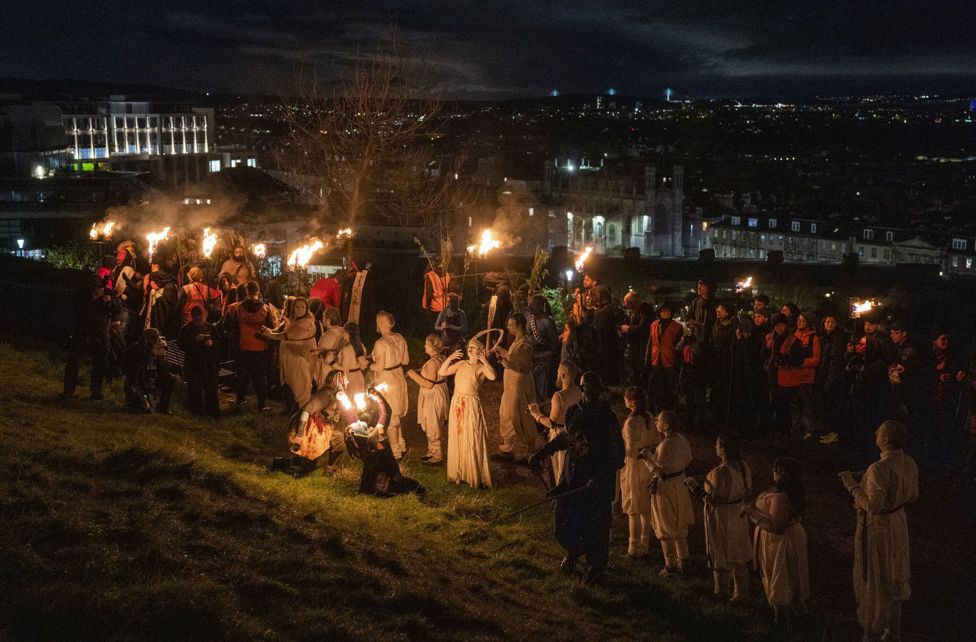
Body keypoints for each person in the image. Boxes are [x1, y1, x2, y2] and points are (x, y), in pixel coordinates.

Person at [529, 371, 624, 586]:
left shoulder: (607, 419)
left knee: (596, 526)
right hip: (575, 476)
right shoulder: (574, 412)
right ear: (582, 390)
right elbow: (567, 438)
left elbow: (617, 456)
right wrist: (543, 452)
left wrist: (600, 477)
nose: (589, 393)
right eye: (586, 389)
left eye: (593, 389)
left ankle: (595, 567)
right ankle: (574, 552)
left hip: (597, 483)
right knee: (569, 518)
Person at [838, 420, 918, 642]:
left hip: (878, 530)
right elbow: (913, 496)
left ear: (886, 439)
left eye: (879, 431)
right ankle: (893, 632)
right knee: (895, 577)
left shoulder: (879, 469)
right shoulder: (909, 462)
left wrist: (851, 485)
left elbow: (872, 506)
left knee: (874, 578)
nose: (875, 432)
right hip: (898, 525)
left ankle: (871, 631)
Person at [743, 457, 809, 630]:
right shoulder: (790, 492)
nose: (772, 472)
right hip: (788, 538)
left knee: (780, 577)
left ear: (782, 475)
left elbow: (776, 527)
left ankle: (781, 623)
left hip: (779, 542)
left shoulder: (781, 498)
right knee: (789, 576)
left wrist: (752, 513)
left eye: (776, 470)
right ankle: (800, 616)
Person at [639, 409, 694, 575]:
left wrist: (647, 457)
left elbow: (660, 472)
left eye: (659, 420)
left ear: (666, 425)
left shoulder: (665, 446)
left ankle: (670, 566)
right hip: (681, 485)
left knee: (665, 525)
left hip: (667, 487)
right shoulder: (683, 441)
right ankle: (684, 562)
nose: (656, 421)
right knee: (679, 525)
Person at [702, 435, 753, 601]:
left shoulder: (720, 472)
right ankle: (741, 594)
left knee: (720, 553)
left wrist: (696, 489)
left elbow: (715, 499)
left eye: (717, 445)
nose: (715, 447)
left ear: (723, 449)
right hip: (739, 514)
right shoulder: (743, 467)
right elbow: (748, 491)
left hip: (722, 516)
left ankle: (721, 593)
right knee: (738, 554)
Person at [440, 340, 497, 488]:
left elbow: (492, 376)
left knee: (471, 436)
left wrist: (484, 361)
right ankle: (458, 472)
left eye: (474, 348)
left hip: (470, 404)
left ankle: (472, 473)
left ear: (480, 351)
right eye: (469, 347)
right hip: (457, 402)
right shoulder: (461, 364)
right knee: (458, 435)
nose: (470, 349)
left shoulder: (480, 368)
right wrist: (450, 358)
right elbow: (442, 372)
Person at [619, 387, 661, 558]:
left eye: (626, 398)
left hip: (635, 467)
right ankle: (646, 544)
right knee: (645, 506)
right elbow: (657, 440)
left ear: (632, 402)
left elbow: (630, 450)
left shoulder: (631, 423)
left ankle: (634, 548)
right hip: (648, 465)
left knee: (634, 507)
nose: (624, 401)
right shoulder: (650, 417)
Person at [63, 277, 120, 400]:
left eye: (98, 288)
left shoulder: (107, 295)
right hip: (82, 332)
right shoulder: (81, 295)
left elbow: (117, 309)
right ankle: (68, 391)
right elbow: (75, 311)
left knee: (99, 364)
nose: (96, 290)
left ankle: (96, 392)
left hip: (99, 335)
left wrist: (108, 302)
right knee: (74, 361)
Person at [493, 313, 539, 461]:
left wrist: (506, 363)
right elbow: (514, 357)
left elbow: (524, 366)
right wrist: (502, 352)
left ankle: (533, 451)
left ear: (519, 326)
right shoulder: (517, 341)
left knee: (521, 415)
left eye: (510, 325)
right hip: (510, 385)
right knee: (506, 413)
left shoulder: (525, 343)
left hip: (518, 385)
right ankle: (507, 449)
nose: (508, 327)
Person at [529, 360, 582, 485]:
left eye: (558, 373)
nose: (557, 376)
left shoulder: (559, 396)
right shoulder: (579, 392)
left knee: (560, 471)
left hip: (560, 436)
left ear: (563, 375)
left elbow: (550, 423)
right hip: (576, 437)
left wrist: (535, 413)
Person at [260, 296, 317, 410]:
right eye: (297, 307)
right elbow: (283, 331)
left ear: (306, 309)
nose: (300, 309)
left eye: (302, 307)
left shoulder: (306, 323)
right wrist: (270, 331)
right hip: (290, 358)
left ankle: (302, 411)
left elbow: (288, 335)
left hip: (301, 359)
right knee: (290, 383)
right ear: (293, 308)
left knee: (300, 384)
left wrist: (270, 335)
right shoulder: (293, 320)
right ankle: (292, 407)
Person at [227, 281, 273, 411]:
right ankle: (261, 404)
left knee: (243, 374)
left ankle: (240, 399)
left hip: (244, 345)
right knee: (260, 375)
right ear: (258, 292)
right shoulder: (265, 308)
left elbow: (235, 328)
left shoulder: (239, 308)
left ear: (247, 292)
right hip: (261, 346)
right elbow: (270, 328)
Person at [370, 311, 410, 459]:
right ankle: (401, 442)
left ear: (381, 324)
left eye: (378, 323)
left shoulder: (380, 343)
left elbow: (379, 367)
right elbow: (405, 361)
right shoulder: (400, 337)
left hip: (387, 380)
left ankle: (395, 451)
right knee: (396, 413)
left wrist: (369, 365)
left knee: (390, 415)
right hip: (399, 376)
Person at [407, 334, 450, 466]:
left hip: (433, 395)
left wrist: (412, 375)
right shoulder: (441, 358)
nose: (424, 346)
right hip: (438, 392)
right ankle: (431, 451)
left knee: (433, 423)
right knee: (432, 422)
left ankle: (437, 456)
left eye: (426, 344)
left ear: (432, 347)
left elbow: (429, 384)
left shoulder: (433, 363)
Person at [779, 310, 821, 440]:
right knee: (794, 404)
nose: (799, 322)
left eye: (802, 320)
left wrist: (801, 362)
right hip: (793, 376)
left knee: (806, 404)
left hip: (806, 376)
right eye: (799, 320)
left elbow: (816, 359)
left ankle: (809, 429)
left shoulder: (813, 338)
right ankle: (795, 428)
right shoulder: (794, 336)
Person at [178, 305, 220, 418]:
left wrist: (212, 343)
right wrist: (195, 340)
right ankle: (196, 412)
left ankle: (212, 413)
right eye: (197, 319)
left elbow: (219, 343)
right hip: (193, 363)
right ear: (192, 318)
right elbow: (182, 345)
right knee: (195, 389)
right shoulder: (186, 329)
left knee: (211, 388)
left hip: (209, 364)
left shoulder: (211, 328)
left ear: (204, 316)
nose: (199, 321)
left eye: (201, 319)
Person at [817, 313, 849, 445]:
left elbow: (835, 360)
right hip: (824, 375)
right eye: (827, 322)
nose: (829, 324)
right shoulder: (823, 337)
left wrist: (830, 380)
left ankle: (835, 433)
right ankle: (830, 431)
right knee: (828, 406)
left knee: (835, 406)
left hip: (834, 377)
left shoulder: (838, 338)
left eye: (831, 322)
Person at [128, 327, 175, 414]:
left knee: (170, 378)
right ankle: (137, 402)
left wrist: (161, 358)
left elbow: (164, 370)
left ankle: (163, 406)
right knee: (146, 409)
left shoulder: (158, 348)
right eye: (155, 338)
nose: (158, 341)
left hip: (153, 379)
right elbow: (137, 366)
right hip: (139, 382)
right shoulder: (137, 348)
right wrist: (151, 354)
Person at [646, 301, 683, 412]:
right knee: (655, 387)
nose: (665, 313)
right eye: (662, 311)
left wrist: (677, 362)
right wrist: (647, 359)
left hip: (669, 360)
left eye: (667, 311)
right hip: (656, 359)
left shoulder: (677, 327)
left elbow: (678, 346)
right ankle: (657, 409)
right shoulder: (654, 325)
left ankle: (670, 411)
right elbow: (650, 342)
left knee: (670, 387)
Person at [526, 294, 561, 400]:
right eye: (531, 304)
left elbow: (554, 344)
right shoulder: (529, 320)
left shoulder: (547, 322)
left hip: (546, 361)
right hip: (533, 359)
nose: (531, 307)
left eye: (534, 305)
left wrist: (541, 344)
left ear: (541, 306)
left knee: (545, 391)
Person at [620, 291, 654, 386]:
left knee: (642, 372)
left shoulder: (645, 309)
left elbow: (644, 327)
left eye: (628, 304)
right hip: (636, 347)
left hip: (643, 347)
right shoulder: (635, 311)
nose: (627, 306)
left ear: (633, 303)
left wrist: (628, 329)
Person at [679, 319, 707, 432]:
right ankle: (689, 422)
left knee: (699, 398)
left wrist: (692, 343)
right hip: (687, 370)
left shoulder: (702, 341)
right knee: (689, 398)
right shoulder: (687, 338)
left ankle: (700, 424)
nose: (691, 330)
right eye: (689, 328)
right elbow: (678, 349)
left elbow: (699, 353)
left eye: (693, 328)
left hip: (698, 371)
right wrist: (682, 342)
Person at [591, 286, 621, 386]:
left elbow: (599, 327)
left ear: (599, 295)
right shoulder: (608, 308)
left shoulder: (606, 310)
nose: (593, 298)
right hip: (606, 345)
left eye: (594, 295)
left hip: (606, 347)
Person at [336, 322, 367, 397]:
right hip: (359, 378)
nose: (342, 334)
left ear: (347, 334)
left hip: (351, 380)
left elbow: (345, 369)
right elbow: (362, 365)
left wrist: (331, 363)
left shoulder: (346, 350)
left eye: (343, 332)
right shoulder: (361, 346)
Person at [315, 307, 345, 385]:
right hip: (342, 368)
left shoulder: (325, 337)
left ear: (328, 320)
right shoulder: (344, 332)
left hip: (329, 372)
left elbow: (322, 355)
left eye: (324, 318)